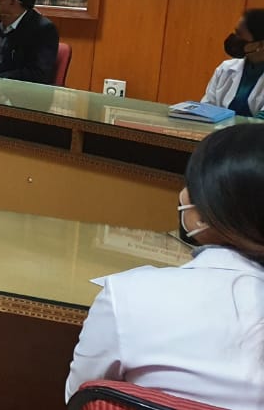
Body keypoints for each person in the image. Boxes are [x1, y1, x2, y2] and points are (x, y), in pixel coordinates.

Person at [66, 124, 264, 409]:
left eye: (191, 186)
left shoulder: (128, 296)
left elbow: (79, 396)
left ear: (205, 215)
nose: (183, 194)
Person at [201, 9, 264, 117]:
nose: (234, 38)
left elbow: (260, 122)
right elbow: (206, 109)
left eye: (240, 35)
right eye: (235, 32)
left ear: (261, 45)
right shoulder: (225, 68)